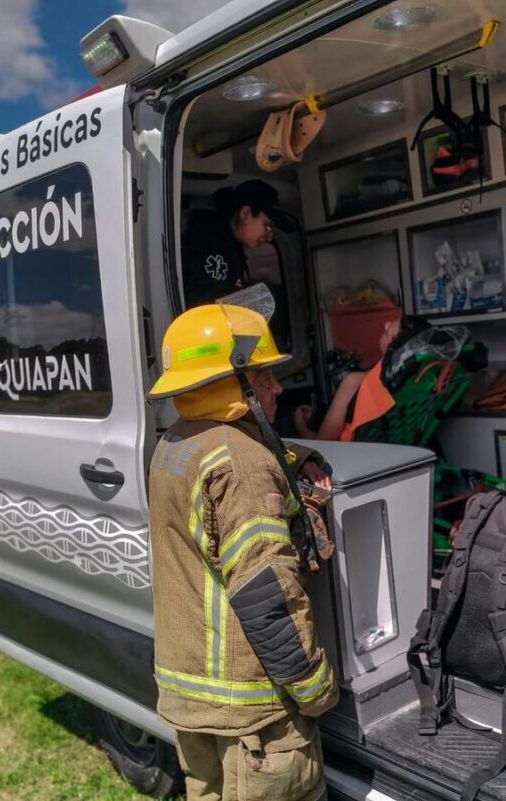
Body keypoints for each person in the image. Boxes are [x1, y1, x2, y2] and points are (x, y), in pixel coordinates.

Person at [147, 303, 337, 801]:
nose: (277, 387)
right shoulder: (243, 468)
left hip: (193, 699)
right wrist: (316, 689)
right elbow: (267, 595)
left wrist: (297, 457)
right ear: (234, 385)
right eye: (265, 376)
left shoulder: (176, 444)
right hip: (252, 716)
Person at [293, 314, 431, 442]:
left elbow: (323, 441)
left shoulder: (355, 381)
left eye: (387, 331)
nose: (386, 324)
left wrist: (300, 426)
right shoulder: (418, 383)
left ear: (392, 348)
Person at [181, 179, 295, 308]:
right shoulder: (209, 242)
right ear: (246, 214)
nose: (269, 238)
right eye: (267, 226)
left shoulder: (228, 246)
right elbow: (206, 304)